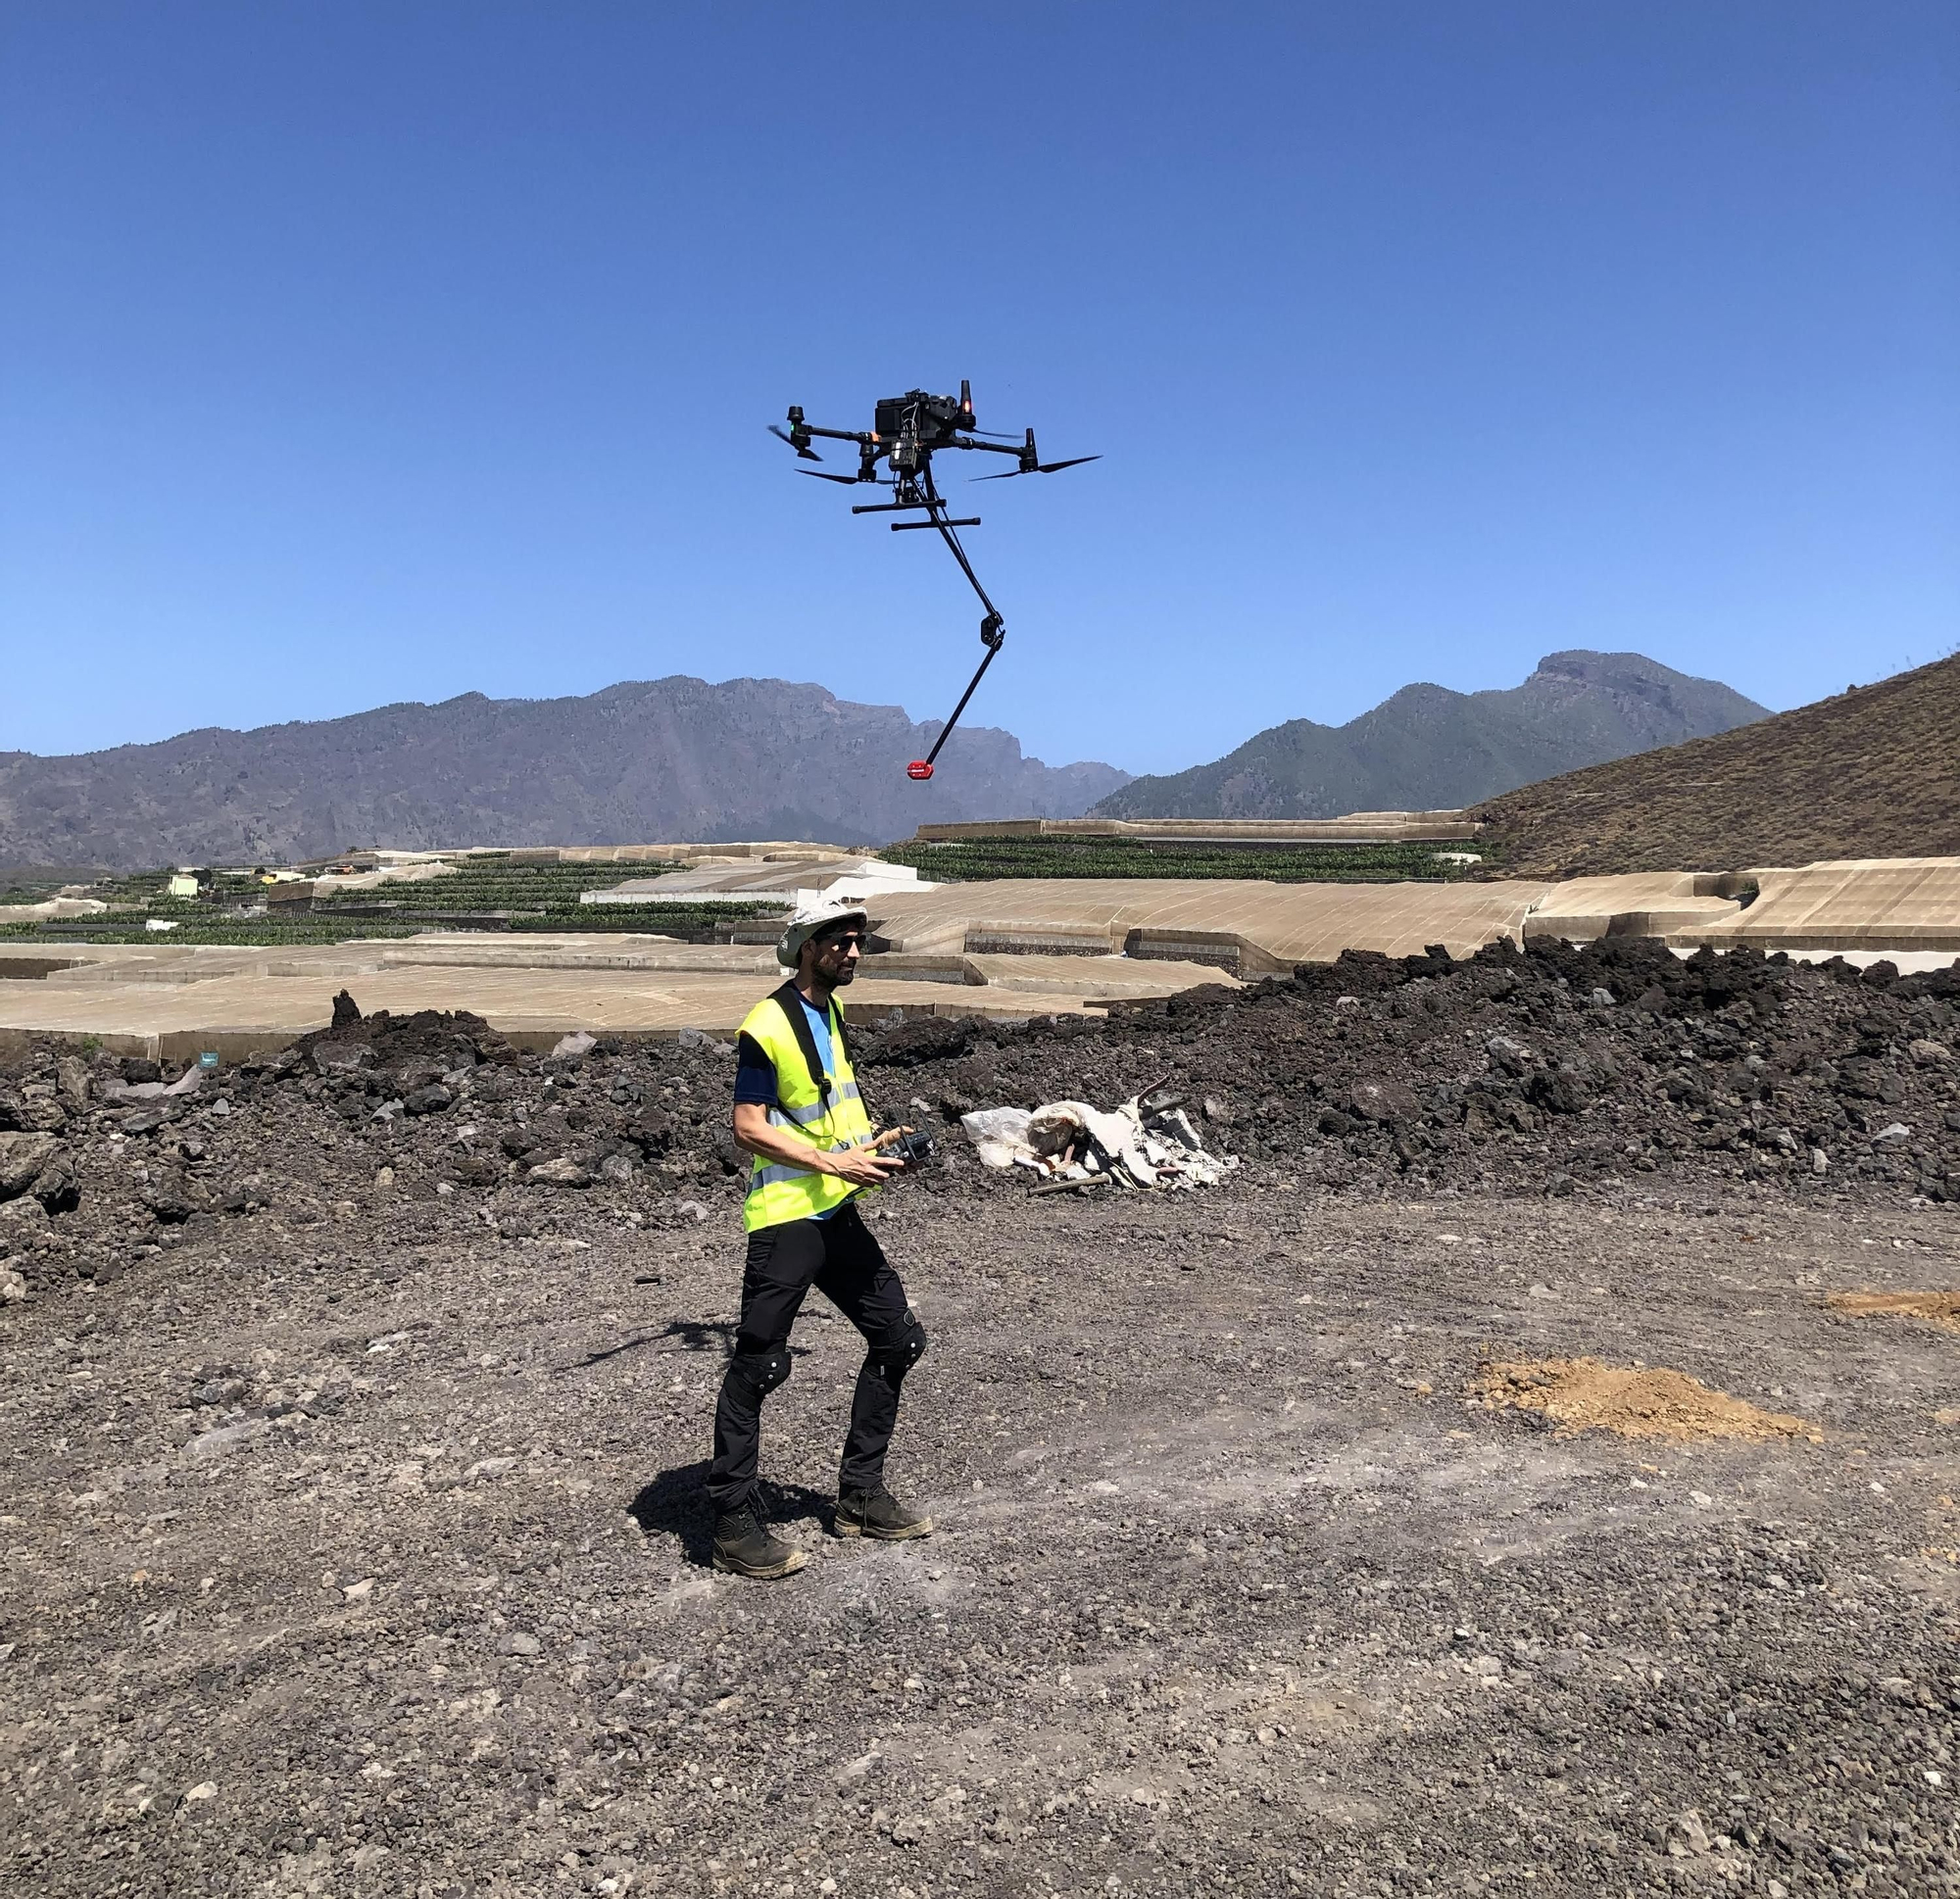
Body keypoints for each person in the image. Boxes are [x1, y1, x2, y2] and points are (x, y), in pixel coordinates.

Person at [705, 897, 935, 1579]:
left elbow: (822, 1114)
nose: (854, 952)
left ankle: (860, 1496)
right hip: (787, 1216)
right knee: (759, 1365)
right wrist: (833, 1163)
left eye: (859, 941)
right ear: (808, 945)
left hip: (834, 1209)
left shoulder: (829, 1011)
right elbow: (748, 1127)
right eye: (841, 941)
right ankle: (732, 1525)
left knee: (898, 1338)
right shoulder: (767, 1024)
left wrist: (871, 1147)